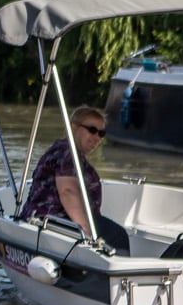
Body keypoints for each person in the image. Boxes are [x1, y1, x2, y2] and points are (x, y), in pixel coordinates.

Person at [18, 105, 131, 251]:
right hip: (53, 220)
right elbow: (67, 191)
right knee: (118, 235)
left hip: (46, 219)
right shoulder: (68, 152)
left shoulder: (65, 151)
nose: (97, 137)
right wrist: (86, 232)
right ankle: (122, 272)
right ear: (73, 127)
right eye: (92, 130)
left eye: (101, 133)